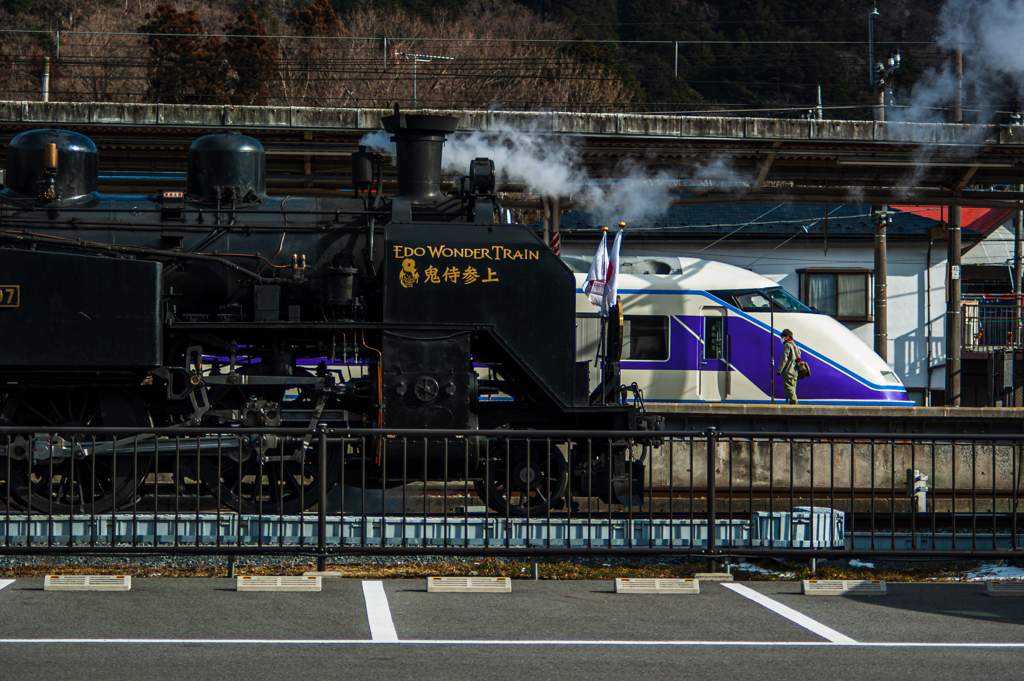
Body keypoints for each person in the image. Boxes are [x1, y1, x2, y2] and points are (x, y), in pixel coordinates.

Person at [777, 329, 800, 405]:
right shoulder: (796, 346)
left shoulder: (787, 346)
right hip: (795, 373)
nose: (781, 338)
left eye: (782, 336)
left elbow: (784, 359)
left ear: (787, 337)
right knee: (792, 389)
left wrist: (779, 371)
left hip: (788, 372)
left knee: (789, 389)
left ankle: (795, 403)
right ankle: (792, 403)